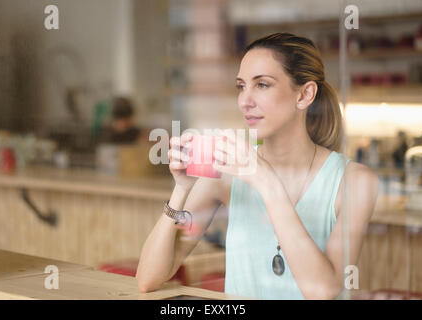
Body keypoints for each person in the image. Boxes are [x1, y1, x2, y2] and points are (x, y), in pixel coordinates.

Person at [136, 33, 380, 299]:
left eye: (262, 85)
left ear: (305, 95)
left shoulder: (354, 181)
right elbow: (148, 278)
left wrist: (266, 182)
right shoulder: (226, 174)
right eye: (242, 86)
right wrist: (181, 189)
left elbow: (322, 292)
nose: (245, 101)